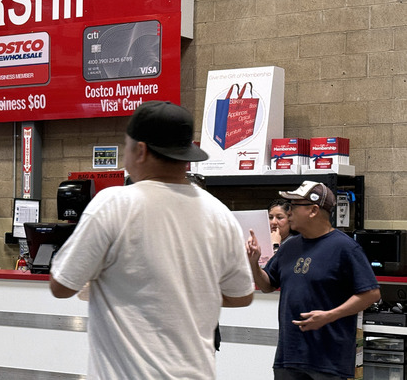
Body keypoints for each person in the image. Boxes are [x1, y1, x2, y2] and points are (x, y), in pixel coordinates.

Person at [49, 101, 254, 379]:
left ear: (141, 150)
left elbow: (61, 286)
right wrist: (186, 295)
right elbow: (241, 296)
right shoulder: (220, 214)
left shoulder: (114, 204)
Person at [246, 181, 380, 380]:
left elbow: (371, 294)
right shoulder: (289, 246)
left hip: (328, 361)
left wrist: (330, 315)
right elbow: (267, 285)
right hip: (288, 357)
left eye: (293, 206)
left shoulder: (345, 248)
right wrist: (254, 263)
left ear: (313, 210)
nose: (288, 212)